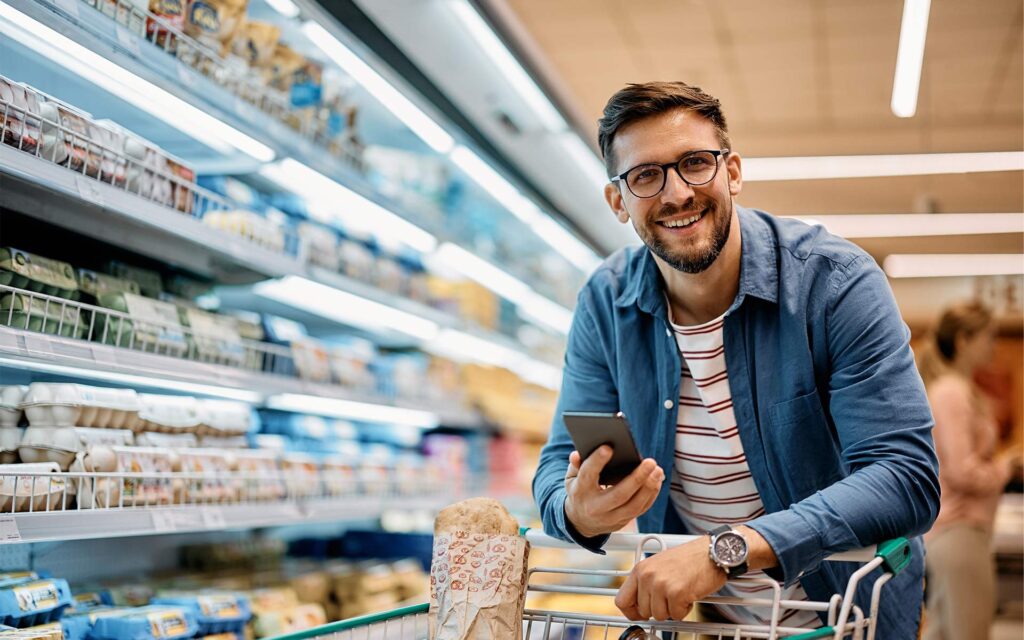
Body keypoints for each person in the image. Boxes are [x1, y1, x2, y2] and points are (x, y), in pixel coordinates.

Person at [532, 81, 940, 637]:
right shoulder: (607, 304)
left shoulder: (834, 285)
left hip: (847, 616)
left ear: (733, 172)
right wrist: (574, 512)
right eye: (645, 176)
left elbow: (906, 476)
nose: (677, 193)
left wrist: (725, 550)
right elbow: (558, 463)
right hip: (715, 624)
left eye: (695, 163)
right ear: (619, 202)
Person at [916, 302, 1017, 640]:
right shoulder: (951, 392)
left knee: (945, 631)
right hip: (959, 530)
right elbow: (961, 471)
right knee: (969, 632)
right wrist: (1004, 468)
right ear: (963, 340)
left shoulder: (958, 389)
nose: (993, 346)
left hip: (956, 532)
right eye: (988, 337)